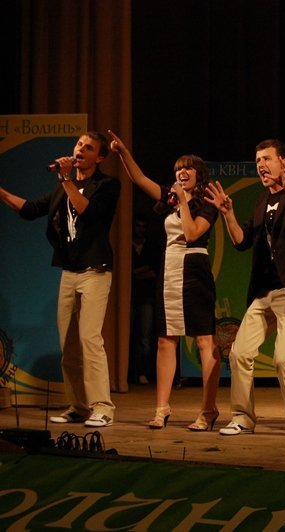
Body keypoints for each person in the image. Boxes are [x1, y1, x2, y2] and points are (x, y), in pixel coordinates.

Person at [204, 139, 285, 439]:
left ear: (284, 162)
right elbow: (242, 241)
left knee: (284, 357)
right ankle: (243, 418)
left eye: (267, 159)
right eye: (258, 160)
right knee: (239, 353)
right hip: (263, 292)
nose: (261, 165)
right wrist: (228, 213)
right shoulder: (261, 201)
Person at [0, 132, 120, 427]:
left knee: (90, 340)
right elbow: (30, 210)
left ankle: (103, 407)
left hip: (95, 270)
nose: (80, 150)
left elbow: (87, 212)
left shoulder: (107, 185)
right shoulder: (62, 188)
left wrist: (66, 179)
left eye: (88, 148)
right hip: (69, 270)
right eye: (79, 145)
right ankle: (79, 406)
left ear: (99, 158)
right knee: (69, 344)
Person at [107, 130, 221, 431]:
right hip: (169, 269)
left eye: (188, 168)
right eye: (178, 169)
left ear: (199, 174)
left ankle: (208, 409)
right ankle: (162, 408)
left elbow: (192, 234)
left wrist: (183, 201)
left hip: (195, 269)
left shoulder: (207, 203)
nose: (182, 172)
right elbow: (139, 179)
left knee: (204, 339)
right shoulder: (171, 199)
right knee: (165, 340)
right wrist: (123, 152)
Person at [130, 214, 160, 384]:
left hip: (147, 296)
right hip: (129, 296)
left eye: (143, 226)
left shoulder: (151, 247)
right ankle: (129, 373)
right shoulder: (126, 246)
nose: (140, 230)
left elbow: (154, 272)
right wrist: (141, 271)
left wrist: (137, 273)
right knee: (129, 335)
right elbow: (127, 272)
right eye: (137, 226)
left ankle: (143, 372)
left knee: (145, 337)